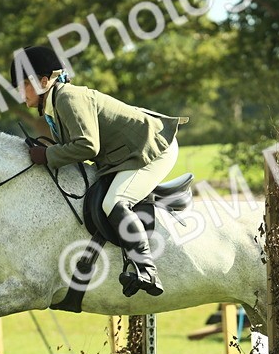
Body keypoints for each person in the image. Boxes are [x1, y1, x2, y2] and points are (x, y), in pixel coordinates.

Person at [11, 44, 187, 297]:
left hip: (154, 148)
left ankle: (146, 269)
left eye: (23, 84)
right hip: (125, 155)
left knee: (114, 202)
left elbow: (87, 146)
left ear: (43, 82)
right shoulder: (55, 105)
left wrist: (48, 155)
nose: (19, 92)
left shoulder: (68, 98)